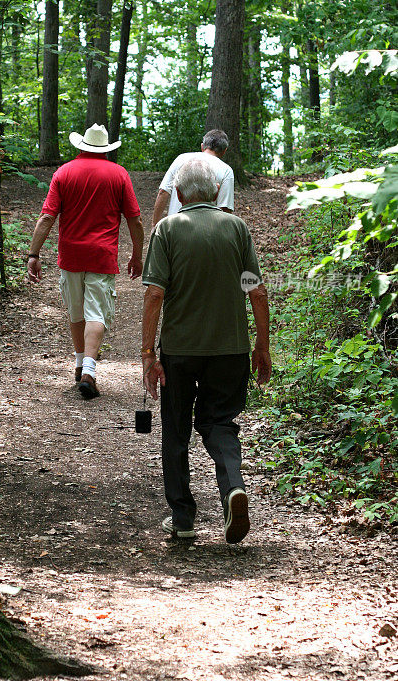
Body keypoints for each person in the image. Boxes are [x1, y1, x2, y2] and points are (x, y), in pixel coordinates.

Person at [141, 158, 271, 543]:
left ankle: (182, 518)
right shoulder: (237, 228)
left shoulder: (167, 229)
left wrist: (148, 353)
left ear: (178, 195)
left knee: (176, 428)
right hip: (230, 349)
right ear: (216, 193)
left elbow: (154, 294)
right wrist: (262, 346)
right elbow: (257, 291)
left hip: (180, 350)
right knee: (220, 423)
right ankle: (233, 487)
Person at [28, 124, 144, 400]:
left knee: (76, 312)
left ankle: (81, 364)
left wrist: (33, 254)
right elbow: (135, 219)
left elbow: (46, 217)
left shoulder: (64, 173)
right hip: (102, 255)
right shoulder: (118, 174)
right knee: (97, 314)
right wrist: (137, 254)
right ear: (105, 149)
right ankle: (89, 372)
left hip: (71, 255)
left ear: (81, 145)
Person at [152, 129, 234, 227]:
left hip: (174, 228)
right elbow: (225, 210)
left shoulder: (181, 159)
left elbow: (163, 192)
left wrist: (154, 225)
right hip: (206, 233)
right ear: (224, 151)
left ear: (202, 146)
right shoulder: (226, 170)